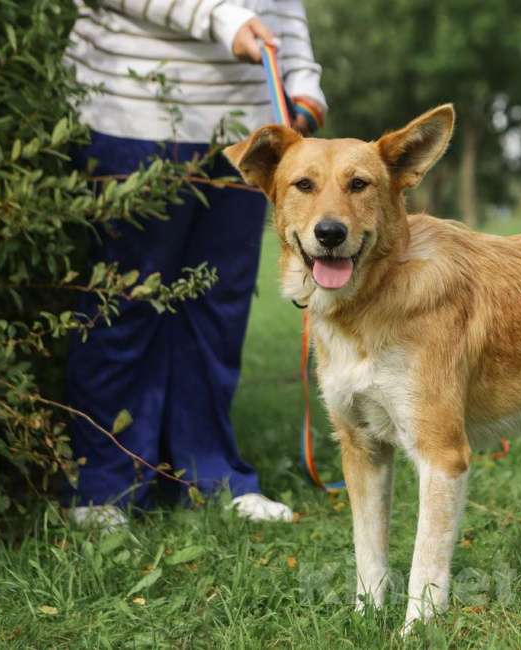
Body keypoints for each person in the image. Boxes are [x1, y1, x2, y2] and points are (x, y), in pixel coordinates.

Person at [63, 0, 326, 527]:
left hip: (243, 130)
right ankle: (105, 486)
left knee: (217, 307)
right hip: (131, 113)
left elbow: (282, 10)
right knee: (123, 305)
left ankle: (211, 478)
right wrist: (218, 18)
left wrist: (302, 80)